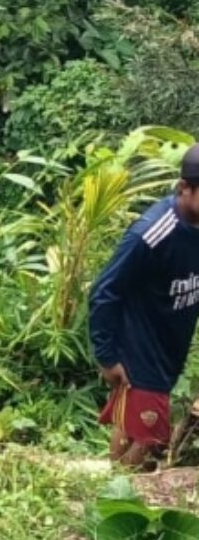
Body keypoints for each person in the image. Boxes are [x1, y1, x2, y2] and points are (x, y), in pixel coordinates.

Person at [89, 144, 199, 467]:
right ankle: (122, 495)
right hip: (140, 351)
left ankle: (112, 488)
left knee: (131, 428)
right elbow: (104, 291)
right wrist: (107, 356)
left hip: (168, 352)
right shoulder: (152, 233)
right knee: (150, 440)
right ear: (184, 188)